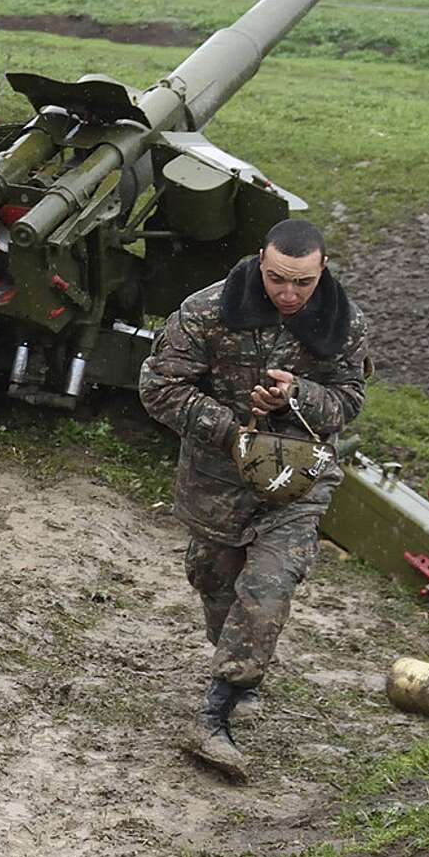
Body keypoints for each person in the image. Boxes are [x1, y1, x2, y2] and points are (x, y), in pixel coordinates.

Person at [137, 219, 368, 782]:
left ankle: (214, 715)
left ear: (323, 271)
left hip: (297, 483)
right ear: (258, 263)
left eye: (303, 284)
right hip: (218, 481)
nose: (289, 294)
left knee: (267, 588)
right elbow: (157, 387)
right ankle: (242, 670)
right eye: (277, 280)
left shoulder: (344, 322)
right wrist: (232, 427)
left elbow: (349, 402)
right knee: (215, 580)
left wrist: (298, 397)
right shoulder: (207, 311)